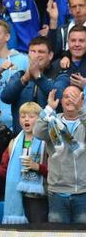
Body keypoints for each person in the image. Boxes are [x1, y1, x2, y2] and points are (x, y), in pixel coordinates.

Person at [0, 102, 48, 224]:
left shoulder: (47, 142)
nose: (26, 119)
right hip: (18, 195)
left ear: (40, 119)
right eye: (23, 116)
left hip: (39, 196)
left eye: (31, 116)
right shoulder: (13, 143)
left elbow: (56, 170)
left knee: (39, 231)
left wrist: (37, 167)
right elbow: (5, 170)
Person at [34, 86, 86, 223]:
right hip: (57, 192)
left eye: (74, 96)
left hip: (83, 192)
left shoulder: (84, 121)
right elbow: (37, 132)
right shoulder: (52, 120)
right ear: (61, 101)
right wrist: (48, 109)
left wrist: (82, 110)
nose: (70, 99)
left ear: (82, 99)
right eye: (66, 96)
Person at [1, 36, 66, 133]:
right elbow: (5, 98)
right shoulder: (19, 75)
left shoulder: (60, 75)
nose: (36, 55)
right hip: (22, 136)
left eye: (41, 52)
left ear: (50, 55)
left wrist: (38, 77)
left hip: (50, 139)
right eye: (33, 51)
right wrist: (24, 79)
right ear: (28, 54)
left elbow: (59, 97)